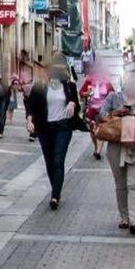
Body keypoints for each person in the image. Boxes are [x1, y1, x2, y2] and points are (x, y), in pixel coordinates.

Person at [97, 69, 135, 234]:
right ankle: (124, 217)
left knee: (134, 184)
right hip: (116, 144)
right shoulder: (113, 97)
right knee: (121, 184)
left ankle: (134, 220)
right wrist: (117, 113)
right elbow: (100, 115)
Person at [25, 52, 79, 209]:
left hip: (63, 127)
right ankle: (56, 187)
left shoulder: (69, 85)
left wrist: (73, 104)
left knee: (58, 160)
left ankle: (55, 195)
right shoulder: (42, 84)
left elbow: (76, 102)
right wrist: (29, 119)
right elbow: (32, 104)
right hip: (45, 127)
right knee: (49, 161)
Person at [78, 61, 114, 162]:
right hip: (91, 108)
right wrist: (87, 93)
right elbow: (81, 92)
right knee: (93, 131)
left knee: (100, 129)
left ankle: (98, 150)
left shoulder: (107, 82)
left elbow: (112, 95)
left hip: (103, 109)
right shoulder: (89, 80)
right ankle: (96, 146)